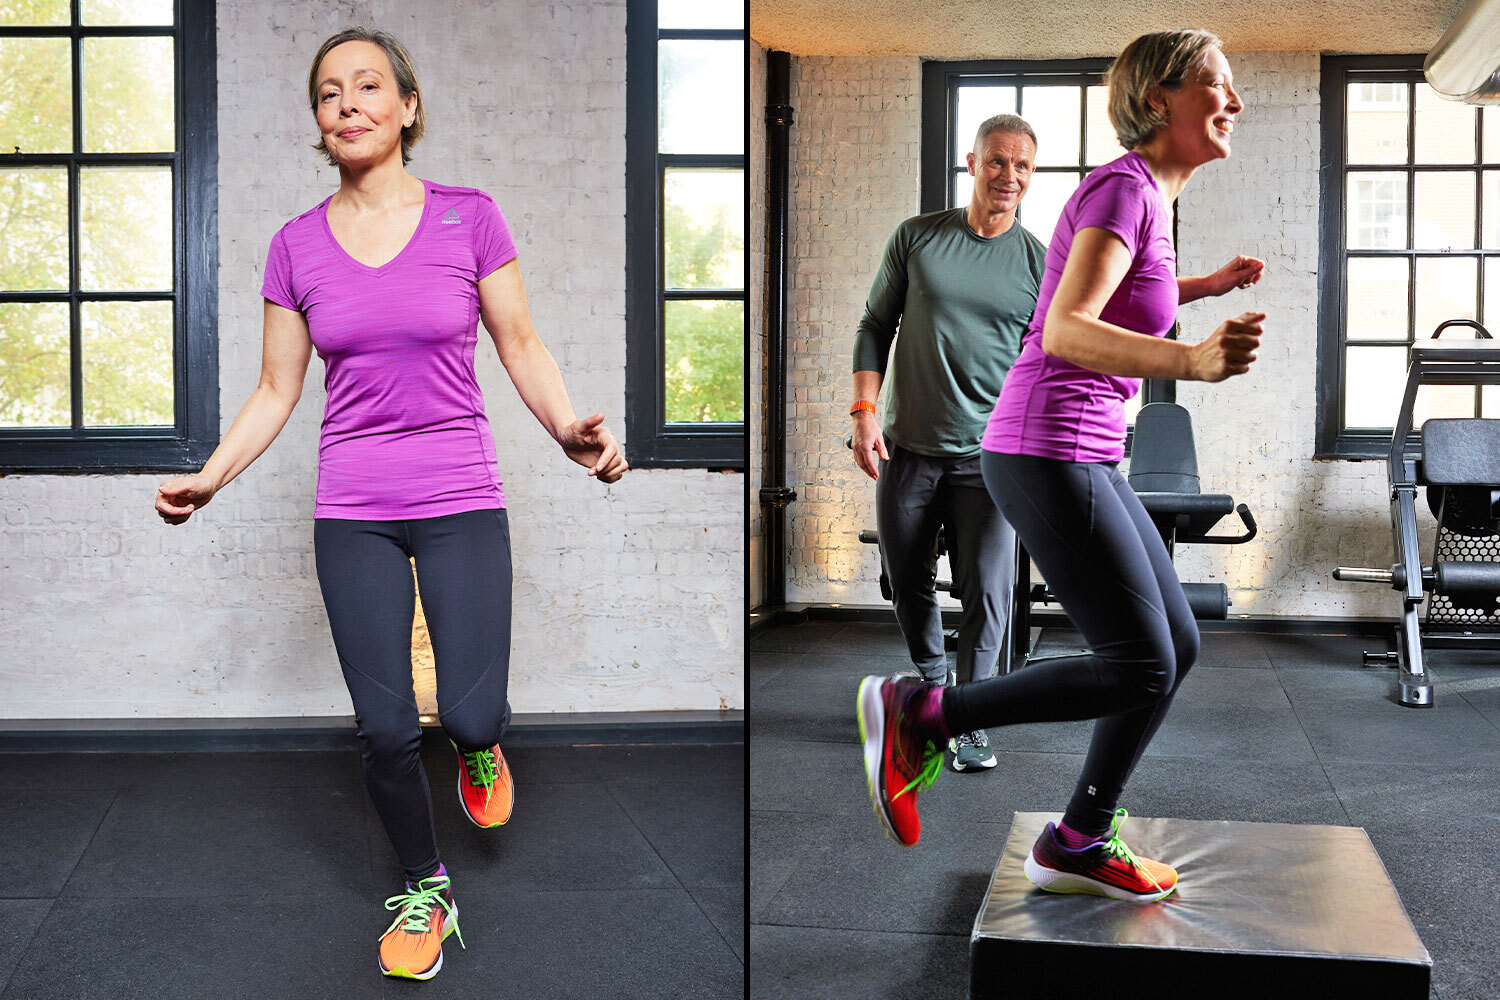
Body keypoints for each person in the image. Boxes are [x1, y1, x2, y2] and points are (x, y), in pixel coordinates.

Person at [153, 27, 627, 978]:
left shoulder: (471, 218)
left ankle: (484, 750)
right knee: (383, 728)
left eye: (369, 86)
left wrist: (572, 430)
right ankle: (426, 886)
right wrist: (211, 477)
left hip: (461, 498)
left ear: (408, 107)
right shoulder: (295, 248)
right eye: (330, 94)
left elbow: (521, 346)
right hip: (352, 511)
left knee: (473, 713)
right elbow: (277, 391)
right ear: (320, 126)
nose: (349, 104)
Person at [858, 29, 1265, 903]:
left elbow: (1109, 295)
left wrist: (1202, 288)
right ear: (1160, 99)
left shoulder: (1146, 196)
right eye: (1217, 86)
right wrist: (1191, 361)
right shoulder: (1124, 188)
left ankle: (1080, 836)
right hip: (1047, 447)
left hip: (1077, 449)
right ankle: (927, 714)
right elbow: (1069, 329)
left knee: (1175, 645)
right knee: (1141, 661)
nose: (1234, 102)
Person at [851, 115, 1047, 772]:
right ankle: (934, 691)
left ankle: (969, 715)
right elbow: (875, 325)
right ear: (972, 162)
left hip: (990, 460)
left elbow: (1046, 363)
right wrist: (863, 411)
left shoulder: (1038, 263)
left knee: (988, 592)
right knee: (905, 580)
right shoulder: (918, 238)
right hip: (907, 448)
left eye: (1022, 166)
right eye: (997, 161)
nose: (1008, 176)